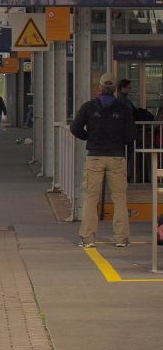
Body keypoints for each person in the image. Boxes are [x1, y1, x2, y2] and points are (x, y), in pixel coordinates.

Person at [71, 73, 137, 248]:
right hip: (116, 156)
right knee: (119, 198)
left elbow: (75, 127)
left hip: (95, 156)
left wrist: (89, 137)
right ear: (115, 89)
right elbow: (131, 135)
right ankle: (122, 238)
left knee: (91, 198)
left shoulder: (89, 107)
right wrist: (119, 141)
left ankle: (88, 238)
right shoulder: (123, 109)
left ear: (100, 88)